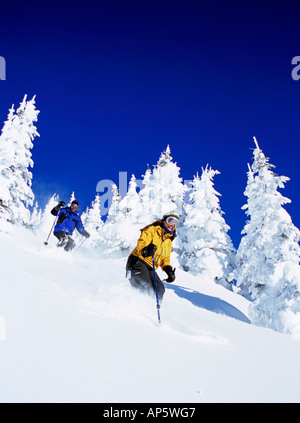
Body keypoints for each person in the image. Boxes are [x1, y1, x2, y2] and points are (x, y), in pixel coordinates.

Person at [126, 212, 179, 302]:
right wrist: (145, 250)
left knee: (159, 289)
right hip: (138, 260)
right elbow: (141, 243)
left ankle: (152, 310)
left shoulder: (168, 241)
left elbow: (165, 260)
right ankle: (138, 307)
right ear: (164, 221)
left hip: (150, 267)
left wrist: (169, 271)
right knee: (145, 286)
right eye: (171, 221)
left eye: (176, 223)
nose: (172, 225)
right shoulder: (152, 230)